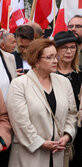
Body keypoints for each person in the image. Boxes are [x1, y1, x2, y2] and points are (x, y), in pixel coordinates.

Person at [6, 38, 77, 167]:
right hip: (29, 156)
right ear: (36, 61)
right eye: (49, 57)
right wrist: (40, 143)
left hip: (58, 155)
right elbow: (20, 122)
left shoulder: (64, 83)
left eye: (55, 56)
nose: (55, 61)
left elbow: (72, 114)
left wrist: (67, 136)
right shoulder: (19, 84)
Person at [54, 30, 81, 167]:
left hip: (78, 132)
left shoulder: (79, 75)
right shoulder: (48, 75)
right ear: (56, 50)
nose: (69, 51)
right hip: (55, 132)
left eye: (72, 47)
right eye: (64, 48)